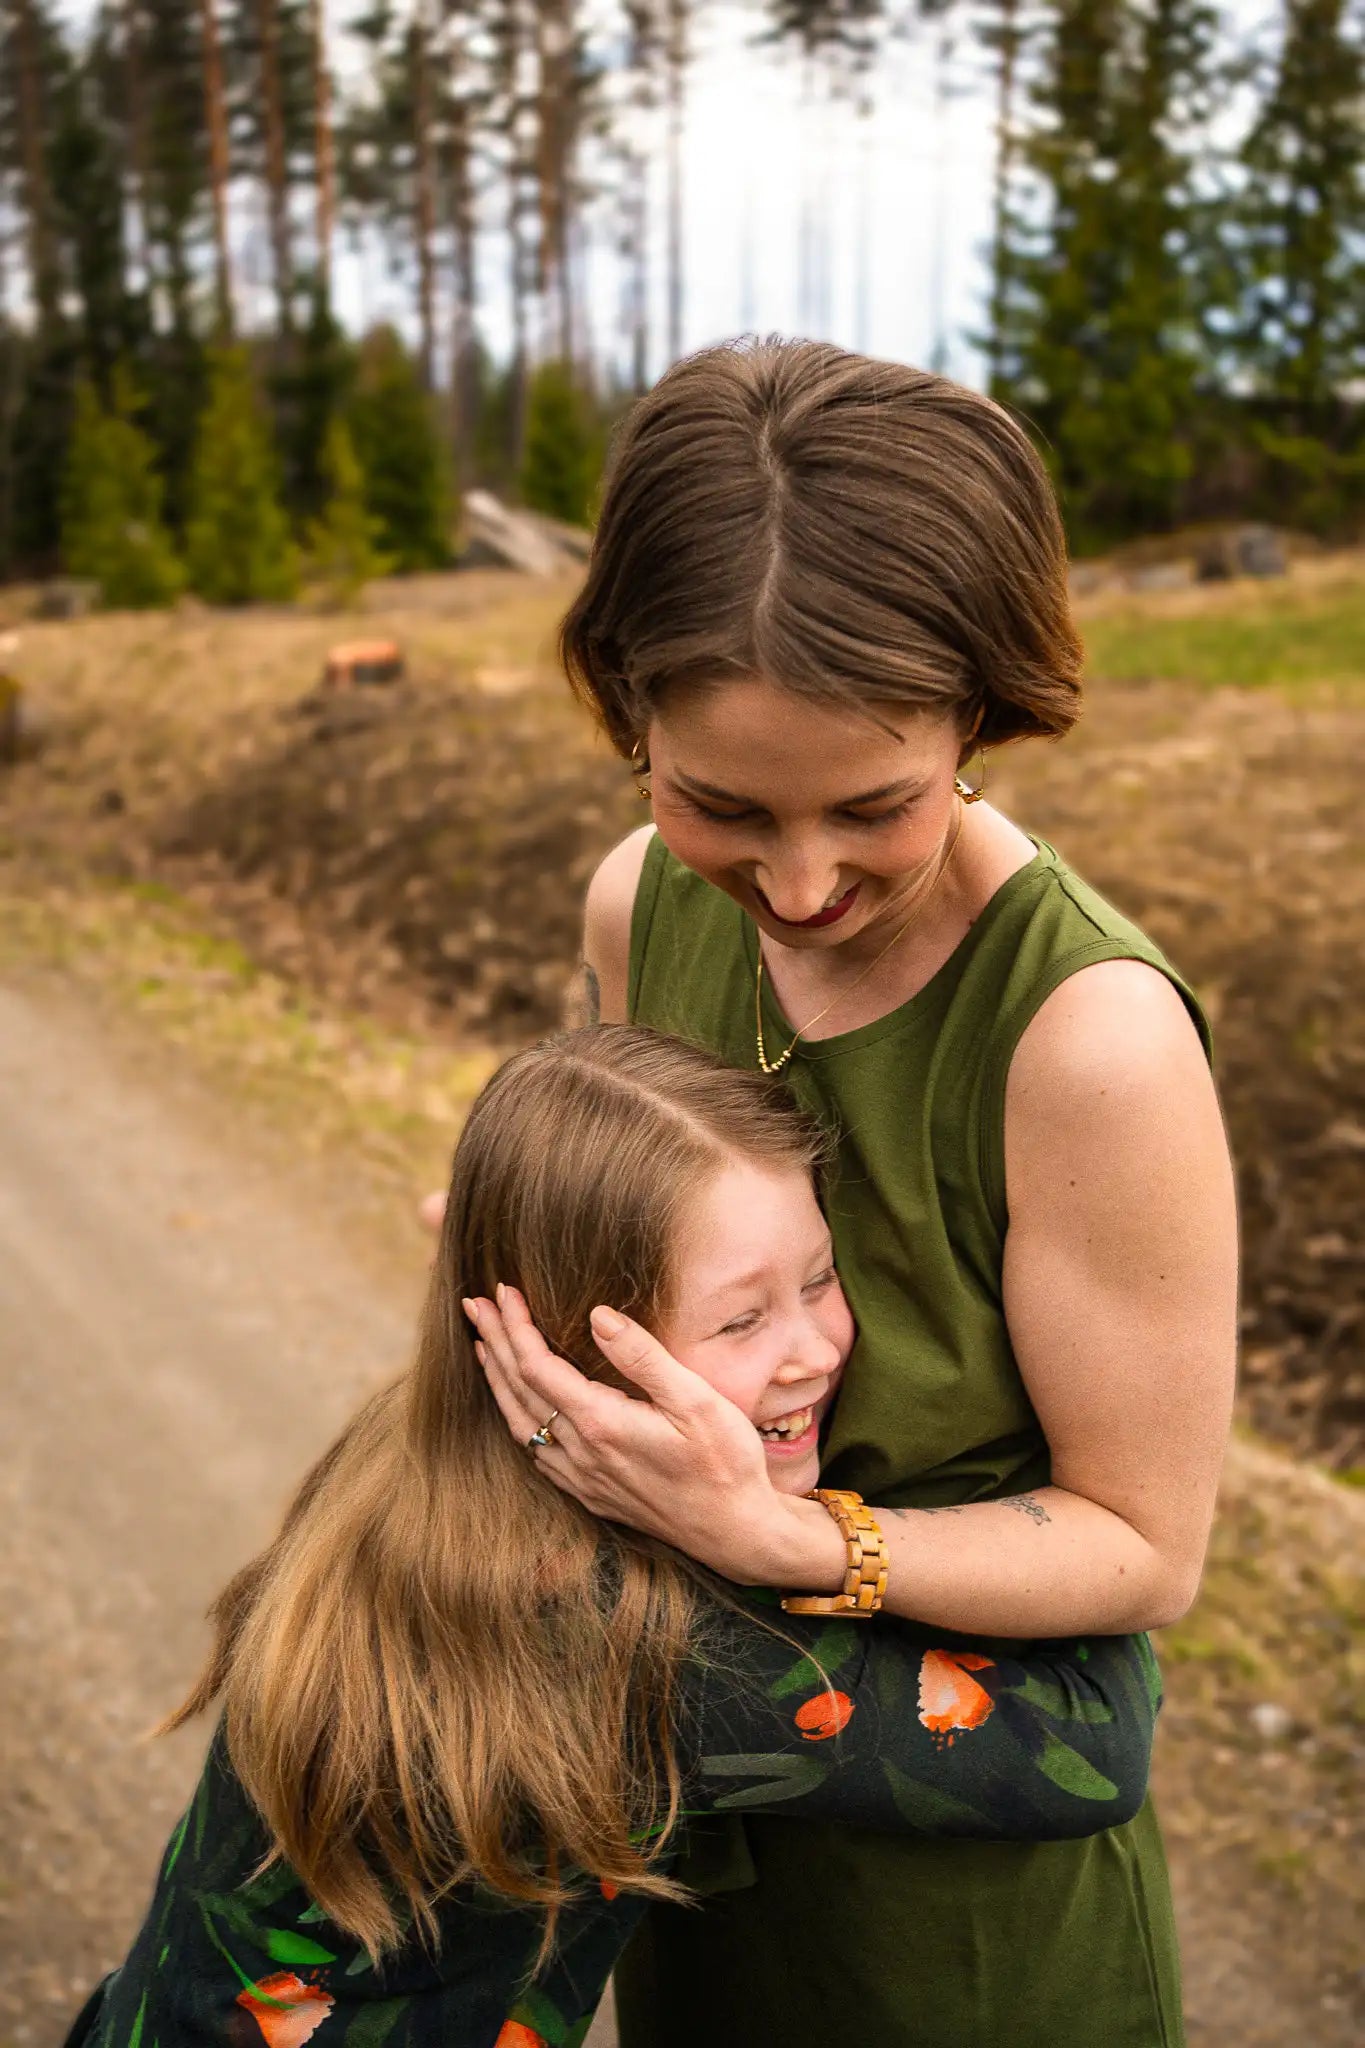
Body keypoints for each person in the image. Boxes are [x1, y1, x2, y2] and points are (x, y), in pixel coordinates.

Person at [465, 338, 1239, 2048]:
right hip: (683, 1853)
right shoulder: (633, 906)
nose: (799, 885)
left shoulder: (1088, 1041)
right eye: (720, 803)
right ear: (626, 705)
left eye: (878, 805)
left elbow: (1142, 1544)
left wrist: (779, 1537)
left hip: (969, 1922)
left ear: (982, 708)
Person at [70, 1029, 1164, 2048]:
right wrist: (794, 1537)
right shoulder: (632, 1635)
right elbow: (1093, 1745)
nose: (814, 1348)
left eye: (821, 1278)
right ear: (569, 1354)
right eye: (741, 1318)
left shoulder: (413, 1457)